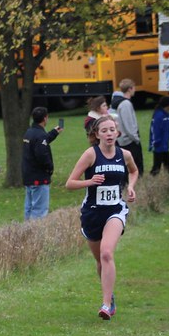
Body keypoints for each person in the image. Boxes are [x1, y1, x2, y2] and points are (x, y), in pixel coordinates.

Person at [64, 114, 138, 321]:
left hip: (115, 210)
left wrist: (131, 187)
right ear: (96, 134)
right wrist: (90, 182)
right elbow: (70, 183)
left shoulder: (125, 155)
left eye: (111, 130)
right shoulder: (90, 154)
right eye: (104, 131)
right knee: (99, 260)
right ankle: (110, 294)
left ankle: (106, 305)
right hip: (92, 212)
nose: (108, 134)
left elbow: (134, 171)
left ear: (117, 133)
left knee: (107, 253)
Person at [21, 106, 61, 221]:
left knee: (29, 208)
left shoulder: (29, 132)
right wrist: (50, 168)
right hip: (39, 178)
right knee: (39, 211)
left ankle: (25, 234)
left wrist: (54, 132)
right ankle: (35, 236)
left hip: (28, 176)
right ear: (45, 118)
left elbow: (41, 141)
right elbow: (42, 154)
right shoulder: (40, 135)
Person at [114, 78, 144, 176]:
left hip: (127, 140)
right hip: (129, 141)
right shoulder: (126, 104)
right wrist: (136, 139)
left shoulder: (124, 103)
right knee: (135, 166)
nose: (135, 90)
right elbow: (129, 125)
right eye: (134, 87)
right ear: (130, 89)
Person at [148, 96, 169, 176]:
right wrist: (155, 142)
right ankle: (151, 180)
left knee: (168, 164)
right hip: (158, 145)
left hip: (165, 145)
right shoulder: (159, 116)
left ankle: (167, 180)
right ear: (168, 105)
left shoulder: (167, 115)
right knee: (157, 166)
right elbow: (155, 130)